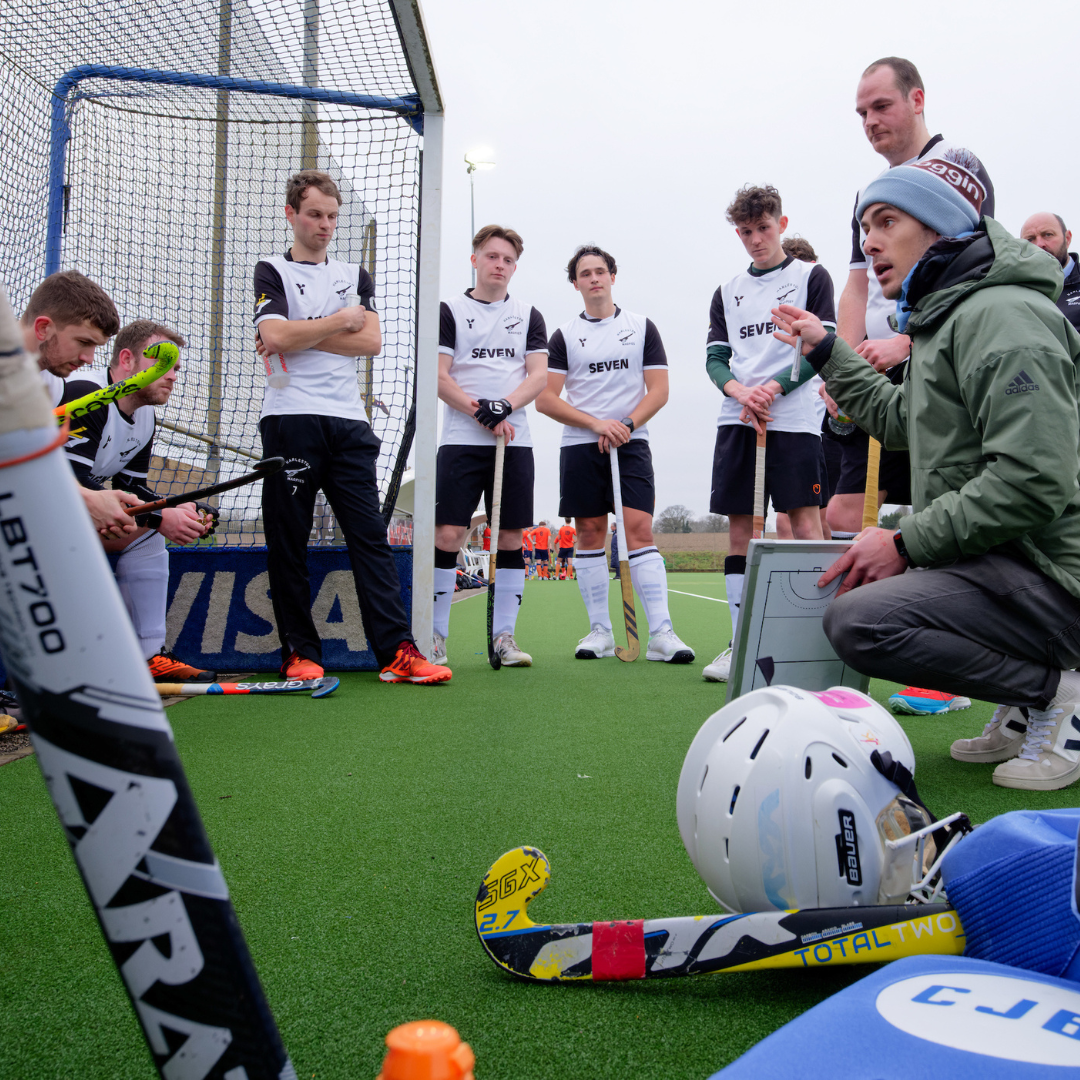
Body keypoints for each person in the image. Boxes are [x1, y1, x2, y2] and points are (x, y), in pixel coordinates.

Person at [772, 152, 1080, 792]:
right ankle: (1030, 704)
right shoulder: (949, 318)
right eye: (864, 228)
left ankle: (1062, 690)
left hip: (1057, 576)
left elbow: (1033, 481)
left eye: (887, 221)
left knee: (861, 620)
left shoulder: (1002, 317)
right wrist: (829, 350)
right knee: (865, 605)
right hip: (1017, 564)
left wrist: (907, 541)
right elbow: (900, 418)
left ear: (938, 229)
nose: (870, 242)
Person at [832, 56, 994, 716]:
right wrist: (838, 361)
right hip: (870, 375)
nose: (871, 121)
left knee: (936, 511)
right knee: (846, 513)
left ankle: (950, 673)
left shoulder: (957, 166)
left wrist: (911, 340)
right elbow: (856, 283)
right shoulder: (870, 193)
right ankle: (845, 656)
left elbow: (972, 271)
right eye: (861, 113)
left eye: (882, 106)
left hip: (927, 367)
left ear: (917, 99)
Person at [253, 169, 449, 685]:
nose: (325, 225)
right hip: (290, 419)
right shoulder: (271, 270)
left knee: (370, 538)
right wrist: (339, 321)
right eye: (315, 214)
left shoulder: (353, 273)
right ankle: (298, 652)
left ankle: (397, 653)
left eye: (332, 216)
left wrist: (298, 334)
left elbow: (370, 344)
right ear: (292, 213)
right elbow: (272, 333)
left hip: (348, 422)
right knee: (288, 541)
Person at [701, 185, 835, 682]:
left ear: (781, 223)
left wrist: (772, 390)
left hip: (794, 418)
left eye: (763, 227)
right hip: (738, 418)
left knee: (802, 524)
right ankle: (740, 641)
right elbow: (716, 357)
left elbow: (823, 344)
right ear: (738, 233)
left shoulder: (810, 277)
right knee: (743, 530)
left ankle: (813, 636)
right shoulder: (728, 289)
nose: (756, 239)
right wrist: (741, 393)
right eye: (746, 231)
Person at [536, 244, 694, 663]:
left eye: (600, 271)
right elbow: (546, 399)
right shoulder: (565, 335)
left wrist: (624, 425)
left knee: (639, 529)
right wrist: (595, 424)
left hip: (632, 442)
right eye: (585, 273)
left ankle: (662, 632)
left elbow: (658, 390)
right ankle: (600, 631)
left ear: (612, 276)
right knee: (589, 532)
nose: (594, 279)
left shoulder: (642, 327)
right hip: (581, 444)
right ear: (575, 283)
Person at [62, 320, 218, 682]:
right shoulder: (88, 393)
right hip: (36, 518)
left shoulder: (145, 415)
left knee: (148, 533)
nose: (173, 376)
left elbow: (132, 487)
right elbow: (69, 482)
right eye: (163, 363)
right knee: (150, 527)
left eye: (177, 368)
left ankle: (149, 658)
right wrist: (160, 518)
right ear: (127, 360)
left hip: (69, 519)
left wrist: (177, 510)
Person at [432, 224, 548, 667]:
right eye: (492, 256)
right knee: (448, 533)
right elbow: (441, 377)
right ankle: (436, 637)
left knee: (511, 536)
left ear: (514, 267)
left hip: (514, 442)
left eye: (508, 260)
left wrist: (505, 406)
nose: (499, 265)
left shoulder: (528, 314)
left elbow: (536, 375)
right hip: (462, 439)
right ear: (475, 259)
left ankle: (504, 637)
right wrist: (478, 410)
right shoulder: (451, 310)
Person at [18, 271, 142, 538]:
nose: (88, 358)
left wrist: (94, 497)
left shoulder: (50, 384)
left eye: (96, 346)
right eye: (84, 342)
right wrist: (86, 499)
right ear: (43, 328)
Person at [1020, 213, 1080, 332]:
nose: (1039, 244)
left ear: (1067, 239)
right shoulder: (1015, 292)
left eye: (1048, 235)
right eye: (1030, 239)